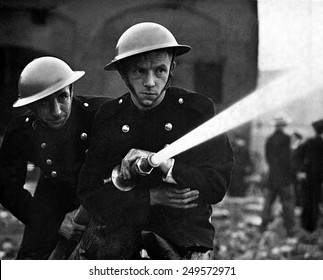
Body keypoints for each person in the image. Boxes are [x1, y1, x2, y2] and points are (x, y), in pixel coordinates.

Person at [72, 22, 234, 260]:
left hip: (181, 239)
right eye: (140, 71)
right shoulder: (109, 117)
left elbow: (217, 186)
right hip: (119, 238)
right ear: (124, 73)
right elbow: (90, 193)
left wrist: (169, 167)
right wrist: (150, 198)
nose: (150, 82)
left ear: (171, 69)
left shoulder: (196, 112)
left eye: (159, 70)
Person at [0, 56, 111, 259]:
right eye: (44, 103)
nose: (57, 111)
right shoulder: (20, 131)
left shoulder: (103, 114)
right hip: (52, 198)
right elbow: (7, 189)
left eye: (62, 97)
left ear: (71, 92)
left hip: (103, 197)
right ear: (31, 107)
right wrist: (53, 222)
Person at [260, 116, 296, 236]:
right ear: (283, 126)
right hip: (284, 178)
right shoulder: (287, 139)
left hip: (273, 177)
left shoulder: (269, 139)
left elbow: (267, 158)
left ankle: (263, 226)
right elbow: (289, 160)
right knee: (287, 203)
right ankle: (290, 230)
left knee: (268, 202)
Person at [299, 119, 323, 232]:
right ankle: (311, 228)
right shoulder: (320, 143)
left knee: (307, 202)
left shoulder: (309, 142)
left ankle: (304, 225)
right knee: (314, 203)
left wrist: (302, 171)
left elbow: (299, 157)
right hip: (317, 179)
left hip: (308, 178)